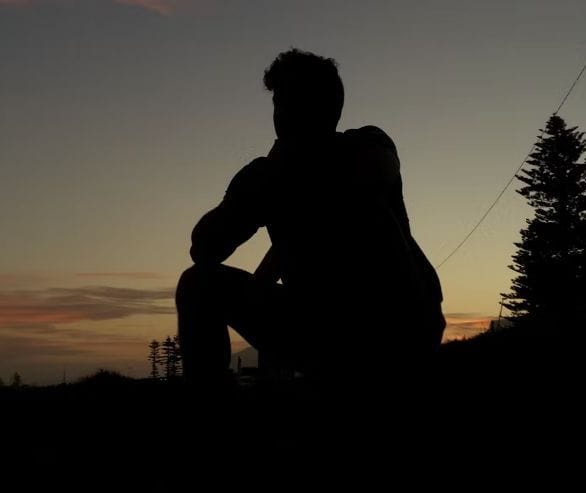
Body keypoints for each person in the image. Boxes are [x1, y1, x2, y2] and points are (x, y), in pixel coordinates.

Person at [176, 48, 445, 383]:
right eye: (280, 102)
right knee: (198, 284)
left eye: (289, 100)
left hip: (400, 330)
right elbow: (204, 249)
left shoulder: (367, 144)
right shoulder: (267, 177)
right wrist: (252, 192)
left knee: (200, 285)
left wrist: (277, 176)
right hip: (319, 330)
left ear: (326, 105)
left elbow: (365, 180)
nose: (281, 113)